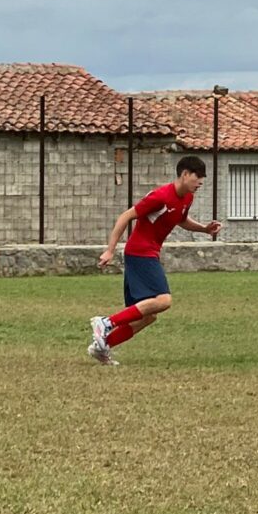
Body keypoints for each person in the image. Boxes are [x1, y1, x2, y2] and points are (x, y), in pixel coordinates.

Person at [87, 156, 221, 365]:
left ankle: (101, 347)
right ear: (185, 174)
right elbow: (125, 216)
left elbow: (181, 219)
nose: (200, 183)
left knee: (147, 316)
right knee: (163, 300)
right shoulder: (160, 196)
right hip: (140, 252)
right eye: (198, 178)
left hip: (148, 253)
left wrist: (204, 229)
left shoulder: (187, 197)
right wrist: (110, 250)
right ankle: (105, 322)